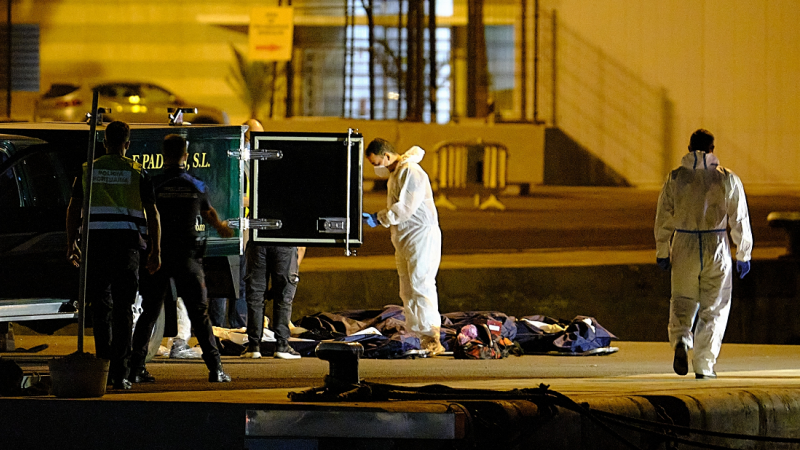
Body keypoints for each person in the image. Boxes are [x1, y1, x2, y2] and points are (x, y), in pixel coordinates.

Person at [128, 134, 234, 383]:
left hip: (159, 255)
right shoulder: (195, 184)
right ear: (185, 156)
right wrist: (220, 226)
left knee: (150, 313)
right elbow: (208, 212)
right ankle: (215, 369)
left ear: (164, 156)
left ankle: (134, 368)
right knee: (199, 314)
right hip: (187, 257)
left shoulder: (153, 184)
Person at [66, 120, 161, 390]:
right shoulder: (137, 171)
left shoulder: (87, 170)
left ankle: (103, 367)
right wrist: (156, 249)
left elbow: (73, 208)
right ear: (127, 145)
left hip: (95, 246)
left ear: (104, 143)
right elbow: (152, 214)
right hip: (127, 247)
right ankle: (121, 373)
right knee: (123, 310)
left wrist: (71, 242)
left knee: (101, 309)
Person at [654, 129, 753, 379]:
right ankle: (704, 365)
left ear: (689, 148)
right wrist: (743, 253)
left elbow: (664, 216)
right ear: (712, 149)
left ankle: (680, 340)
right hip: (716, 243)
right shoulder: (727, 179)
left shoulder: (675, 178)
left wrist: (662, 250)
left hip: (684, 242)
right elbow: (739, 218)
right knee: (715, 307)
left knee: (683, 300)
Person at [363, 138, 445, 354]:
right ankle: (417, 334)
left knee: (422, 285)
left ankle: (432, 337)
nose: (376, 168)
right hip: (406, 238)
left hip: (421, 236)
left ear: (387, 156)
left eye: (376, 163)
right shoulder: (397, 174)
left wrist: (379, 218)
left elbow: (405, 208)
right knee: (408, 289)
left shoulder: (411, 171)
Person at [209, 119, 263, 330]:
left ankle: (237, 326)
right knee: (223, 280)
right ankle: (217, 328)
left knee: (241, 280)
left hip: (245, 227)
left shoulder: (253, 158)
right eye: (255, 137)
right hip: (228, 225)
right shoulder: (232, 158)